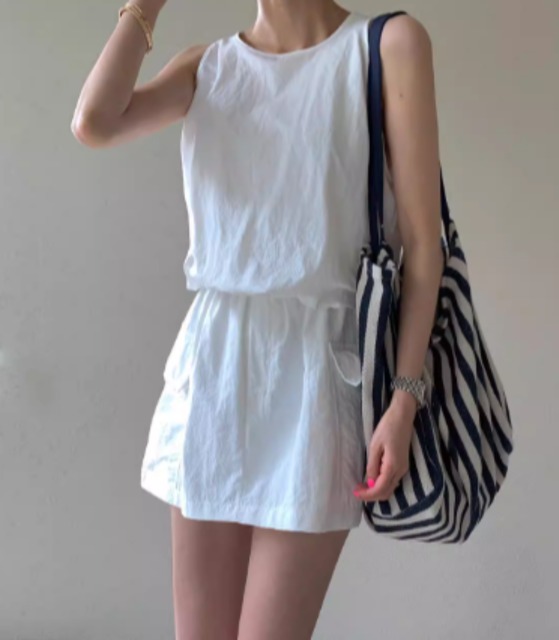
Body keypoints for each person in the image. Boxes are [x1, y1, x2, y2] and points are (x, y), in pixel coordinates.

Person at [71, 1, 444, 638]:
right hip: (216, 369)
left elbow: (423, 246)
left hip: (319, 379)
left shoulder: (386, 45)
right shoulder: (208, 67)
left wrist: (403, 401)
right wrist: (144, 8)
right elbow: (94, 123)